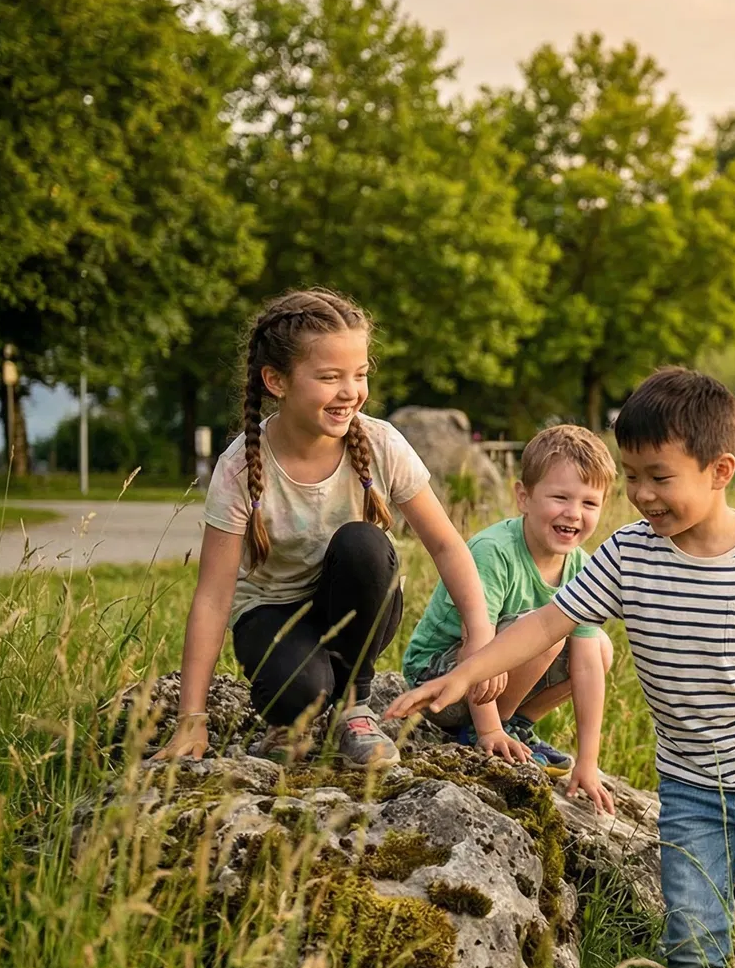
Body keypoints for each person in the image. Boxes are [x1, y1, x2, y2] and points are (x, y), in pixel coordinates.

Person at [384, 366, 735, 968]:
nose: (640, 494)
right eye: (632, 476)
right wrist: (462, 676)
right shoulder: (627, 555)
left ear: (720, 470)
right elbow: (546, 626)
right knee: (695, 940)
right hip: (694, 790)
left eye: (658, 478)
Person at [155, 289, 492, 766]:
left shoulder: (380, 444)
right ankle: (292, 718)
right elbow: (213, 596)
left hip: (353, 601)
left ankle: (354, 706)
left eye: (360, 375)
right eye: (330, 377)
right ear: (276, 381)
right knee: (303, 692)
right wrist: (193, 717)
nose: (350, 391)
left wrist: (479, 635)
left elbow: (446, 545)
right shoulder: (238, 470)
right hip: (273, 612)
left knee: (365, 544)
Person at [399, 424, 618, 809]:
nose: (573, 513)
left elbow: (585, 667)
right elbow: (475, 640)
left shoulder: (582, 568)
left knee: (599, 649)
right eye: (560, 497)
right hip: (443, 680)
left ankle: (517, 724)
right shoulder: (494, 551)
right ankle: (482, 731)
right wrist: (487, 731)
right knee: (540, 627)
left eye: (589, 503)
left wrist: (588, 760)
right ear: (524, 497)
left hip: (496, 681)